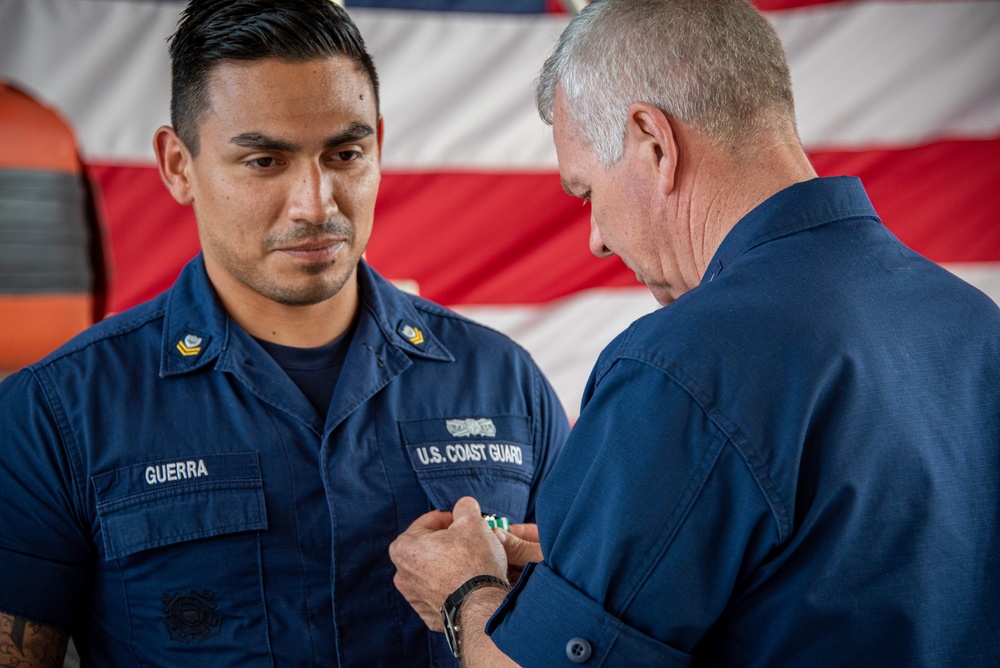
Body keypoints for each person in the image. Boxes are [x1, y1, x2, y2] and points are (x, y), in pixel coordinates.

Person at [388, 0, 1000, 665]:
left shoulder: (679, 366)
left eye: (587, 191)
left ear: (653, 140)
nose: (595, 239)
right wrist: (586, 569)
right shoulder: (976, 326)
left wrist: (463, 592)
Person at [0, 1, 569, 666]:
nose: (316, 204)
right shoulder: (57, 412)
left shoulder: (506, 384)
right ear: (178, 165)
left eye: (345, 153)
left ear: (379, 144)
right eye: (265, 161)